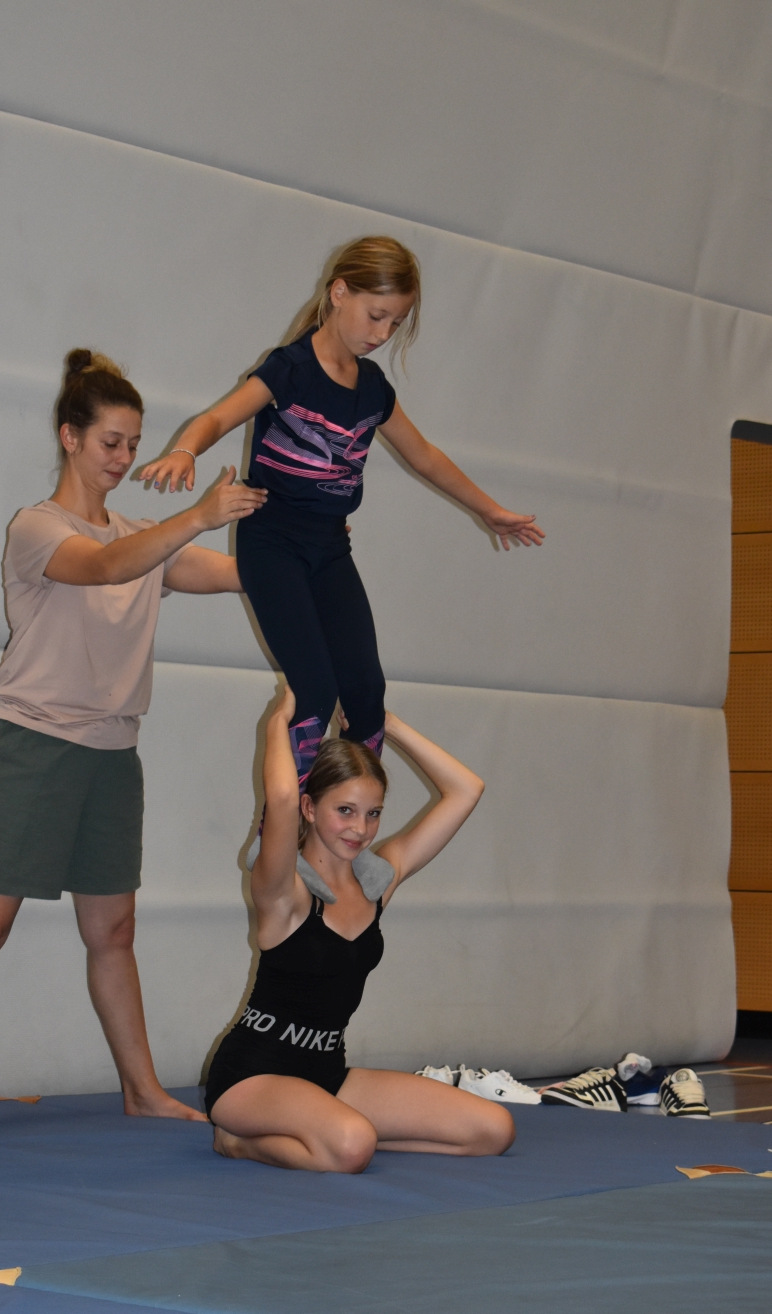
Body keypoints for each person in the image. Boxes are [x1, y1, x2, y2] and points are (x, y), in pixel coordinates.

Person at [0, 349, 266, 1143]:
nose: (124, 457)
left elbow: (229, 572)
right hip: (30, 743)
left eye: (134, 443)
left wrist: (300, 546)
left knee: (113, 933)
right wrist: (196, 517)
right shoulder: (37, 528)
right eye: (111, 441)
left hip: (112, 753)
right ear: (69, 437)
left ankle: (142, 1090)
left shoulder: (144, 536)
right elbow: (105, 567)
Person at [138, 236, 544, 896]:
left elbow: (425, 456)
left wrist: (489, 510)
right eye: (375, 316)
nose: (381, 334)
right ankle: (277, 834)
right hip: (271, 542)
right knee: (314, 688)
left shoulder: (373, 389)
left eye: (395, 323)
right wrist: (185, 450)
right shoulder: (290, 369)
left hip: (329, 547)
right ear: (339, 293)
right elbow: (217, 417)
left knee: (366, 693)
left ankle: (341, 848)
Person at [205, 683, 516, 1171]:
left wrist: (384, 724)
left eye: (373, 814)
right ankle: (237, 1142)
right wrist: (279, 723)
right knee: (352, 1146)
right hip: (252, 1076)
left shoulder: (376, 883)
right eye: (344, 811)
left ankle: (331, 1131)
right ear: (311, 808)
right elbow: (281, 796)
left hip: (329, 1073)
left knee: (493, 1130)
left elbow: (466, 789)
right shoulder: (284, 890)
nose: (360, 829)